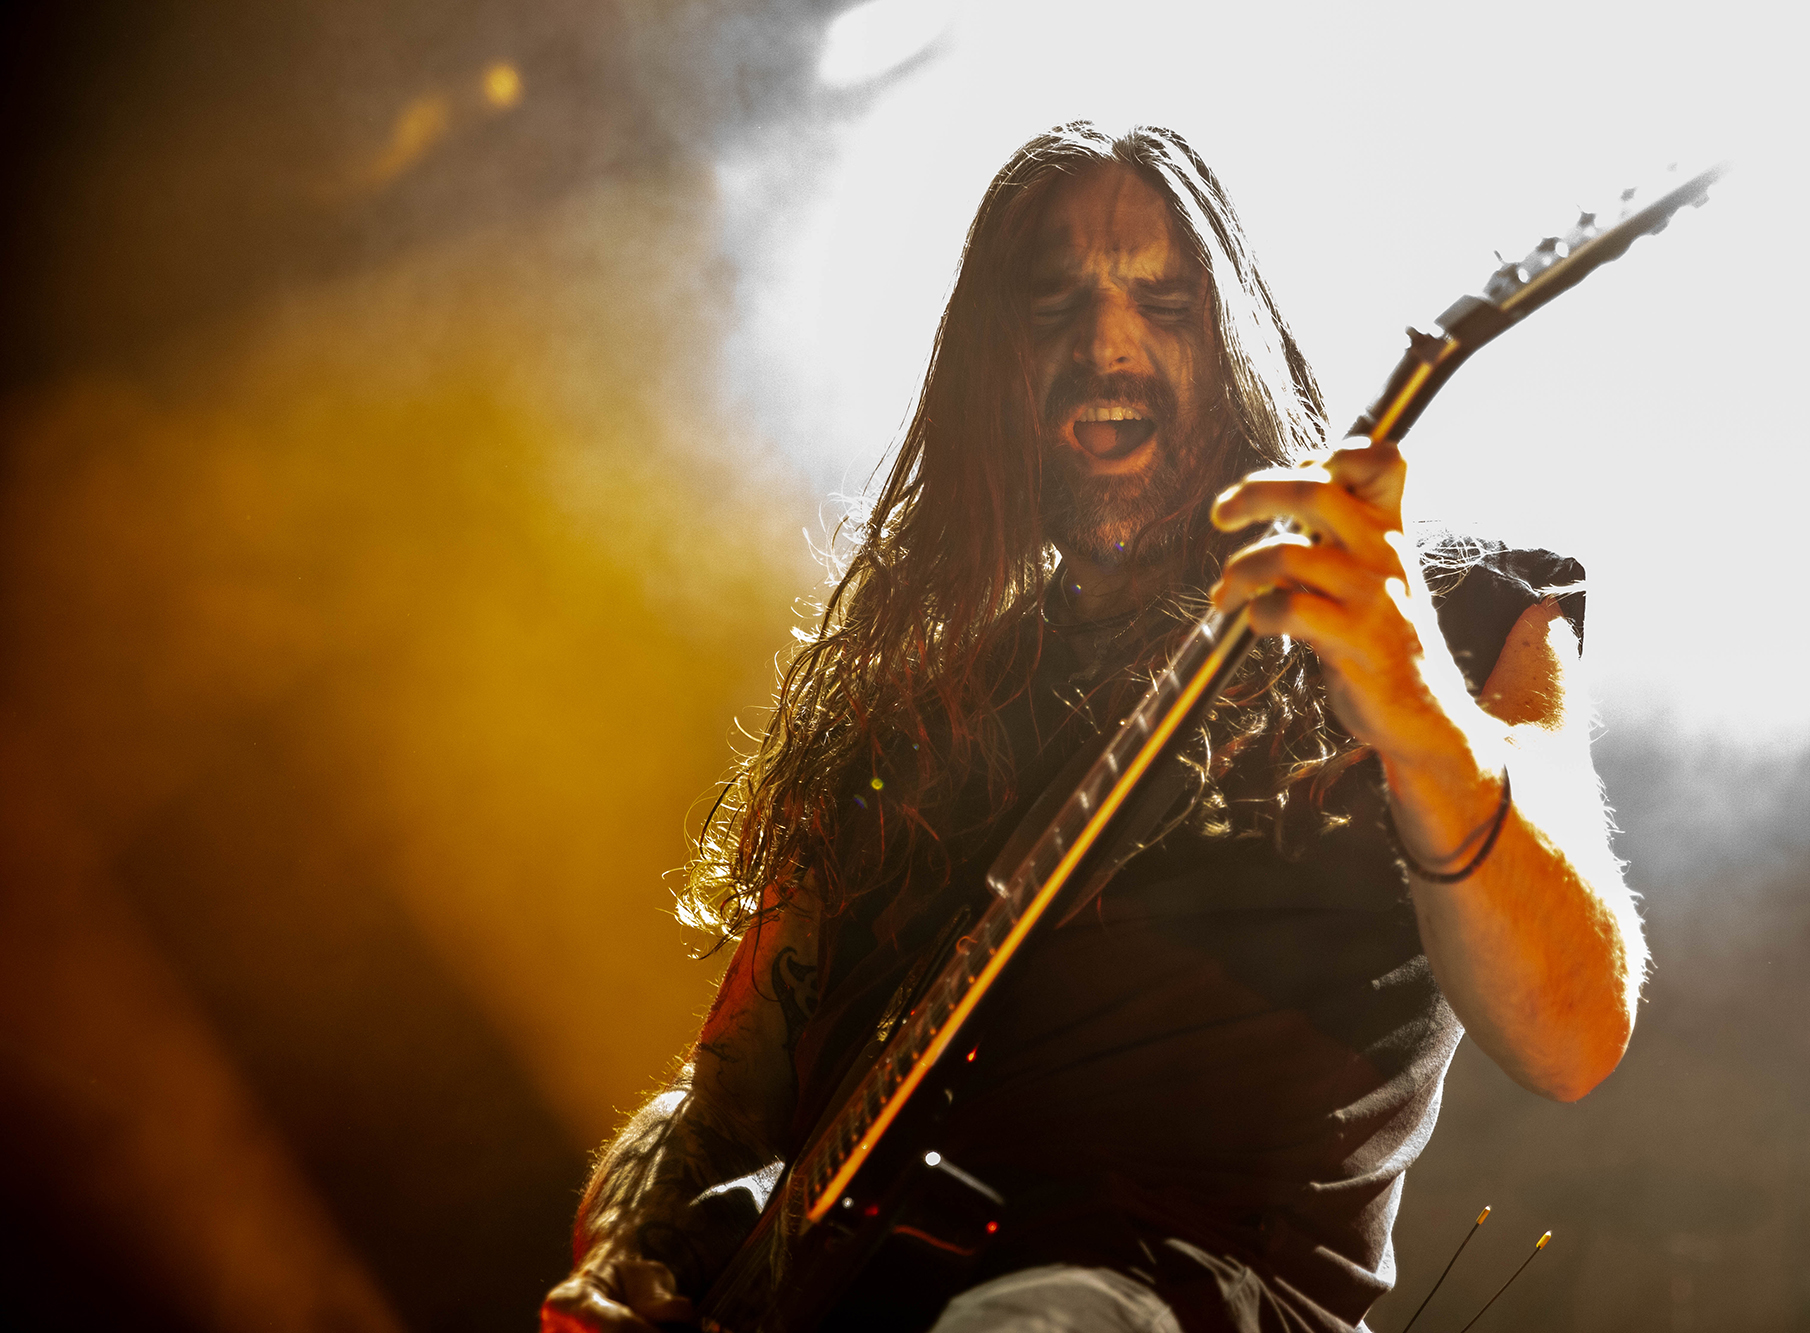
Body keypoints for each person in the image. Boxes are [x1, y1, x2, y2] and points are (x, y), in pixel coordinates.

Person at [540, 122, 1645, 1333]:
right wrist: (639, 1250)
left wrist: (1417, 706)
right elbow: (719, 1105)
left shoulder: (1443, 620)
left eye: (1163, 303)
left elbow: (1571, 1027)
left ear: (1233, 350)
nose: (1106, 343)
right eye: (1052, 304)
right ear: (992, 371)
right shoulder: (902, 721)